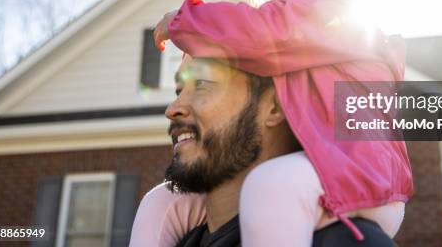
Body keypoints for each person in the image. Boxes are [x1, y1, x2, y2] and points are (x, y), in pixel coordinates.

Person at [151, 0, 413, 247]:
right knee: (163, 202)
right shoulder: (294, 13)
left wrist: (185, 22)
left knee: (268, 185)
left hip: (359, 176)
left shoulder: (329, 4)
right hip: (316, 170)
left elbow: (264, 34)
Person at [130, 55, 397, 246]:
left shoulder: (345, 241)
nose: (173, 108)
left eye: (201, 84)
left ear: (274, 107)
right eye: (178, 89)